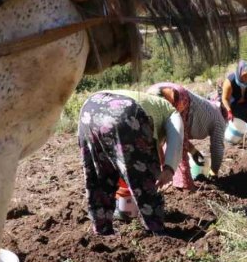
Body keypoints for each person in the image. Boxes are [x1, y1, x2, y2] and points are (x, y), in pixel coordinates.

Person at [79, 89, 184, 234]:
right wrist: (169, 169)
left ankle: (102, 229)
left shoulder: (150, 102)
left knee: (99, 176)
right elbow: (177, 139)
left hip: (90, 107)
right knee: (144, 181)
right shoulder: (172, 113)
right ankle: (157, 231)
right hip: (126, 112)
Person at [145, 83, 226, 188]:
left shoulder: (210, 108)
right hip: (176, 97)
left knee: (159, 134)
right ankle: (185, 185)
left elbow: (179, 134)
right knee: (176, 144)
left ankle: (162, 175)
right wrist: (213, 172)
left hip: (156, 90)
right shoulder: (220, 121)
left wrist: (193, 151)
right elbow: (217, 149)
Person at [221, 60, 247, 149]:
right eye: (244, 76)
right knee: (235, 125)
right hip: (234, 106)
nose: (246, 78)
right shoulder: (230, 81)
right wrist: (229, 111)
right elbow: (225, 99)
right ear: (239, 72)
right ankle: (233, 142)